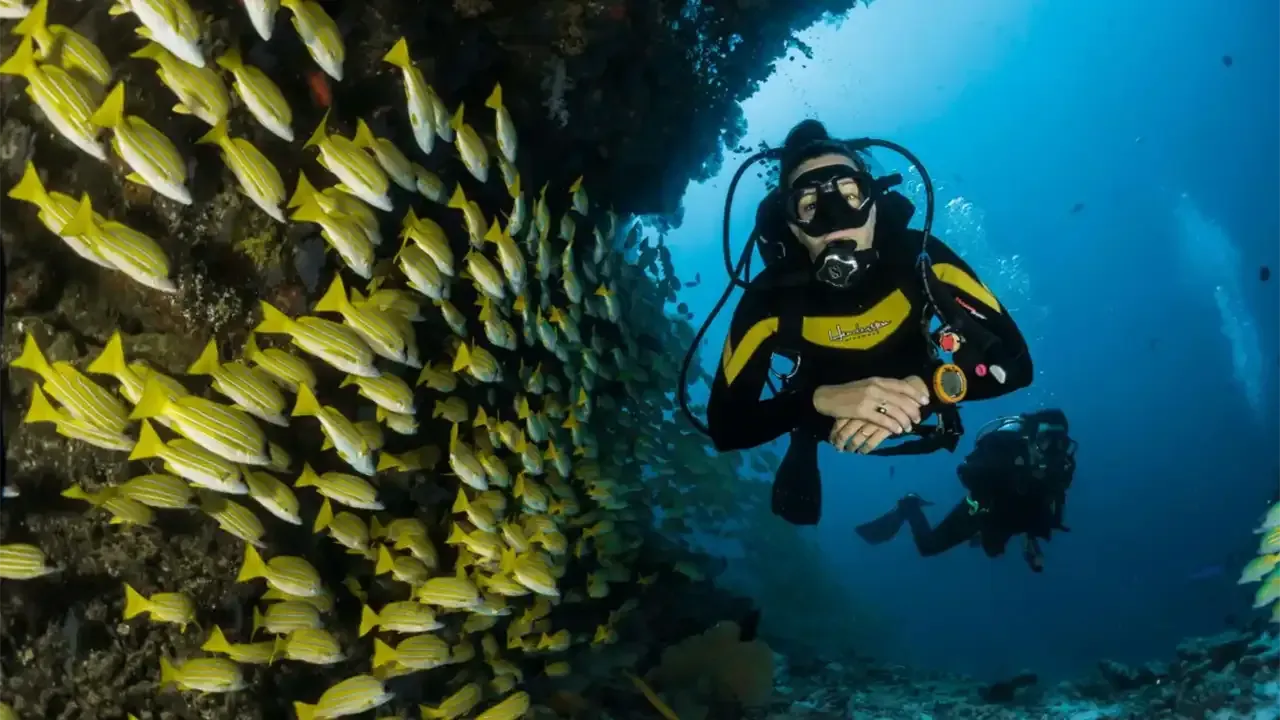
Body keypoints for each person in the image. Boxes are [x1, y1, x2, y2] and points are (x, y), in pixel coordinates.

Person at [704, 119, 1034, 524]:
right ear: (792, 226)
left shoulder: (922, 260)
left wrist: (928, 388)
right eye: (809, 205)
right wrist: (816, 401)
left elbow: (1017, 366)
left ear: (875, 203)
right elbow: (727, 427)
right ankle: (804, 438)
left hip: (922, 396)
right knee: (805, 427)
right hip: (824, 416)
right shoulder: (769, 300)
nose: (834, 218)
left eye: (850, 194)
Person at [855, 409, 1076, 572]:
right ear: (1030, 437)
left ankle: (986, 535)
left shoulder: (1061, 469)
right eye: (1046, 441)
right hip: (981, 509)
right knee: (928, 546)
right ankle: (909, 505)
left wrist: (1030, 541)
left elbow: (1045, 507)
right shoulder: (1004, 449)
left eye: (1061, 444)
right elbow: (967, 472)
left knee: (993, 551)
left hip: (1009, 517)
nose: (1053, 451)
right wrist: (1002, 479)